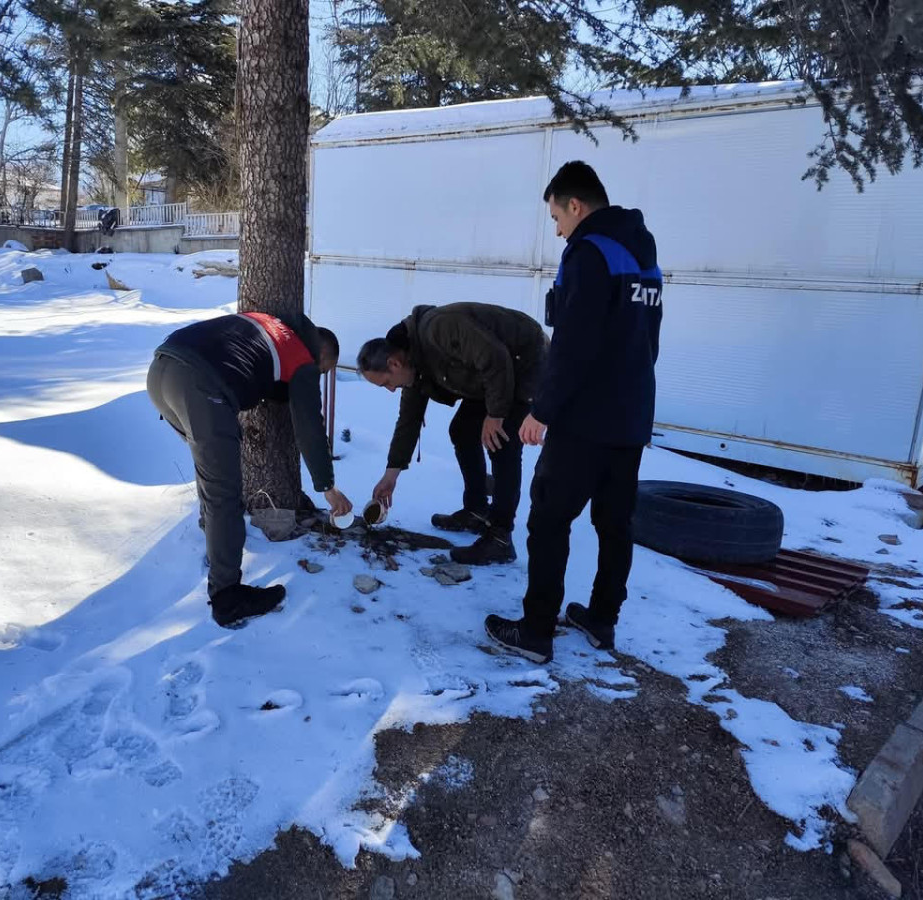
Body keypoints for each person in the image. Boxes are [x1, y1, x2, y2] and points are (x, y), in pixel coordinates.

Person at [485, 161, 663, 663]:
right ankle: (602, 620)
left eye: (556, 217)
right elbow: (648, 340)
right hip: (631, 416)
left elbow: (573, 342)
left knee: (548, 520)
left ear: (575, 206)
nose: (557, 228)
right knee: (614, 524)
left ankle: (537, 630)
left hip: (585, 418)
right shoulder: (642, 254)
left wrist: (543, 409)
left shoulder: (587, 252)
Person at [146, 311, 353, 628]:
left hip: (162, 370)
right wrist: (328, 485)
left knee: (213, 476)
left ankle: (215, 537)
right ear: (322, 354)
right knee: (224, 494)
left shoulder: (273, 325)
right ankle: (228, 598)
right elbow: (310, 427)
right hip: (200, 384)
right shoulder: (302, 356)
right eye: (322, 370)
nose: (317, 375)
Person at [358, 302, 548, 565]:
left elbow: (495, 357)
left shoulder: (440, 328)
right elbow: (408, 421)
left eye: (386, 383)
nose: (390, 389)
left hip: (523, 361)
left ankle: (500, 538)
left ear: (393, 363)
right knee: (462, 430)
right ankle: (476, 510)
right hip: (490, 377)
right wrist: (392, 473)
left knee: (500, 442)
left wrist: (495, 415)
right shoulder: (413, 363)